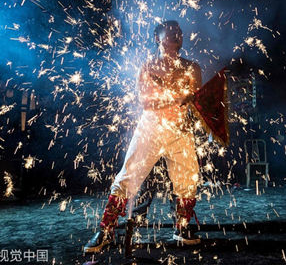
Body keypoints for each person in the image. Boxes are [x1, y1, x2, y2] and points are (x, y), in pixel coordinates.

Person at [84, 20, 203, 253]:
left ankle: (183, 226)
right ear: (157, 38)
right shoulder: (148, 65)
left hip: (180, 131)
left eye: (178, 33)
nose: (175, 36)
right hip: (150, 129)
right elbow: (145, 101)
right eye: (169, 33)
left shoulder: (192, 67)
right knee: (128, 177)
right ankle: (106, 229)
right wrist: (177, 98)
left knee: (188, 179)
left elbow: (197, 97)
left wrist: (190, 100)